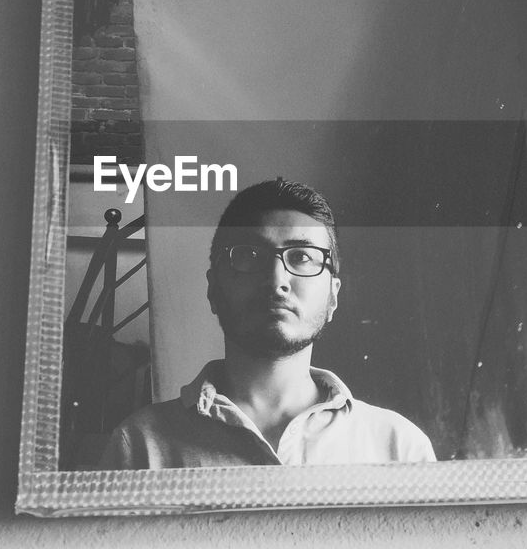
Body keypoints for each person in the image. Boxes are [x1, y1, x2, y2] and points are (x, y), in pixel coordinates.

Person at [99, 178, 437, 468]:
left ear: (333, 296)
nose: (277, 280)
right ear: (214, 288)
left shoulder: (400, 447)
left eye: (302, 257)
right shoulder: (140, 445)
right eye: (249, 256)